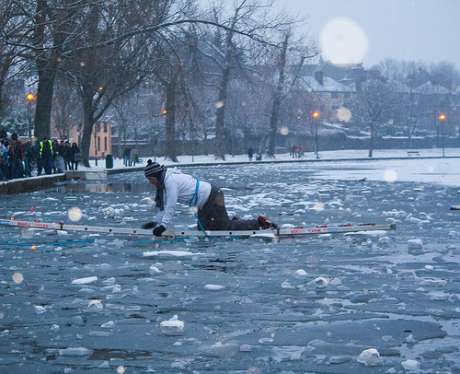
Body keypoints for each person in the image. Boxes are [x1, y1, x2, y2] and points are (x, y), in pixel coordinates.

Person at [141, 160, 277, 236]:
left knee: (224, 229)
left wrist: (163, 226)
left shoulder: (170, 181)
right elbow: (163, 206)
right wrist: (156, 223)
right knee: (205, 232)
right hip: (203, 203)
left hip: (213, 196)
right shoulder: (165, 182)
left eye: (150, 179)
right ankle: (235, 221)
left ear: (156, 177)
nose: (150, 182)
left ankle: (259, 223)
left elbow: (171, 204)